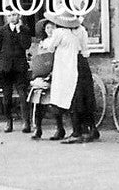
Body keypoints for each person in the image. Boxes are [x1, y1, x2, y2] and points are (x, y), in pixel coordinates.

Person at [39, 11, 99, 143]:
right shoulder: (81, 30)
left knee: (70, 97)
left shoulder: (60, 33)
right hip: (82, 63)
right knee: (85, 97)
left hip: (68, 66)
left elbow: (50, 47)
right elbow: (84, 48)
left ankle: (75, 132)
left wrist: (46, 44)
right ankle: (91, 128)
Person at [0, 11, 33, 133]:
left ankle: (26, 122)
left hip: (20, 68)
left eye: (14, 15)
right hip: (5, 67)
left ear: (19, 16)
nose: (12, 17)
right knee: (7, 96)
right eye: (9, 15)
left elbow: (26, 45)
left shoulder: (24, 29)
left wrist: (19, 31)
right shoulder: (3, 30)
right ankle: (8, 121)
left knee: (23, 95)